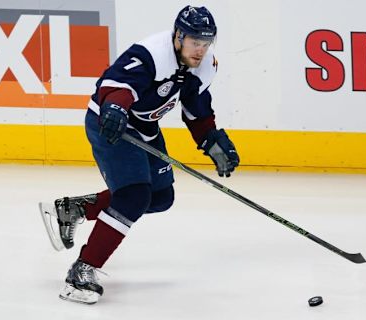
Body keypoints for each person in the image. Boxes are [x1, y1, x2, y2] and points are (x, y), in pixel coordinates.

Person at [39, 5, 240, 305]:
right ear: (178, 36)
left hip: (144, 128)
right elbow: (115, 84)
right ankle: (81, 272)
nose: (200, 49)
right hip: (109, 125)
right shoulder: (151, 53)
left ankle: (75, 210)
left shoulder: (206, 64)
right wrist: (116, 107)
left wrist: (211, 139)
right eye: (194, 41)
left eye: (205, 42)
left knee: (160, 197)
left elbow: (195, 108)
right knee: (133, 197)